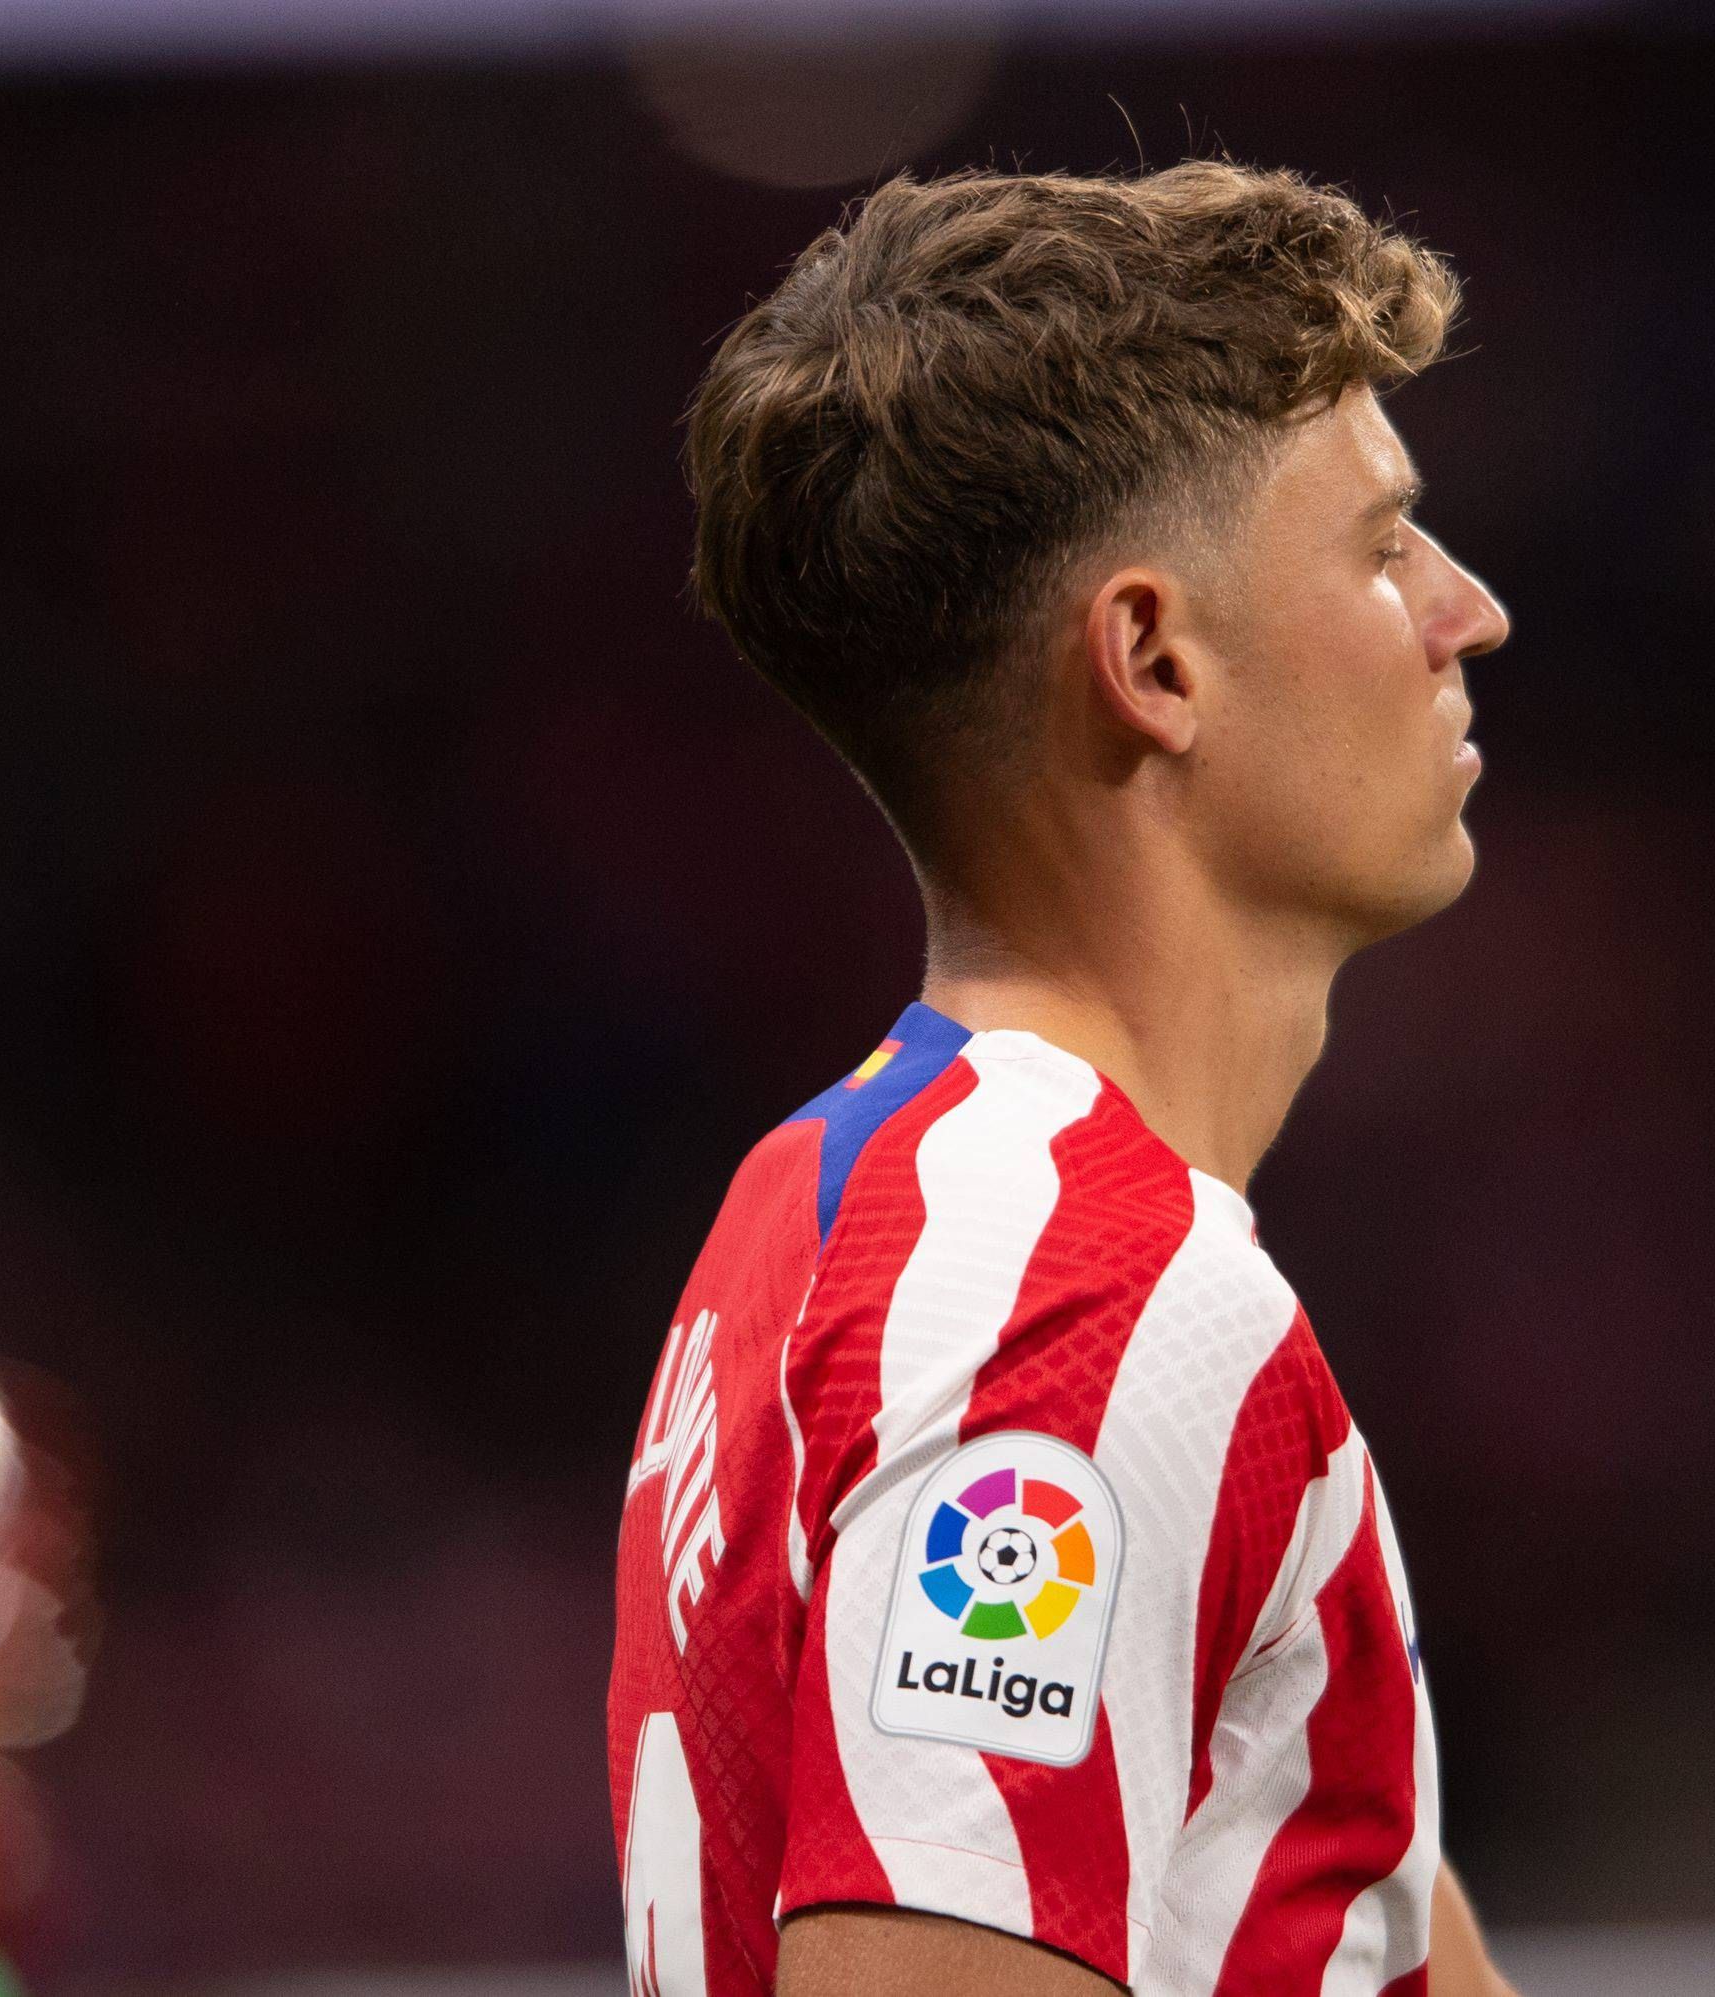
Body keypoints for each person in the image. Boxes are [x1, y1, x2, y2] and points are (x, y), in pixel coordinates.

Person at [605, 161, 1514, 1997]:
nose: (1466, 609)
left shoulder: (841, 1196)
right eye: (1381, 545)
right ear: (1156, 660)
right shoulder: (1073, 1300)